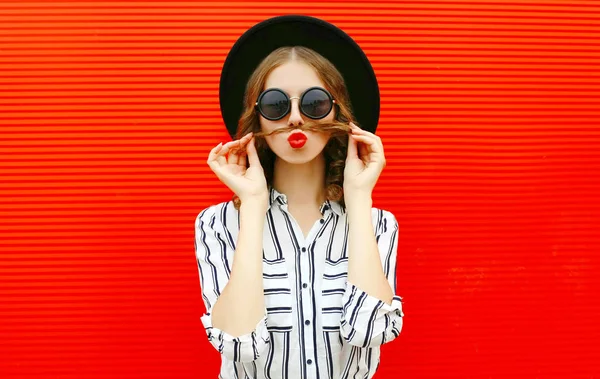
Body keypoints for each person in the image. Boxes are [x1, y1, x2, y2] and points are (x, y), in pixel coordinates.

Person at [194, 15, 404, 379]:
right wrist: (255, 205)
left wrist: (357, 196)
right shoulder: (217, 224)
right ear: (257, 118)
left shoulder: (377, 224)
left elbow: (370, 331)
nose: (294, 119)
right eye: (276, 105)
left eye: (315, 102)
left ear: (337, 111)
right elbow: (239, 344)